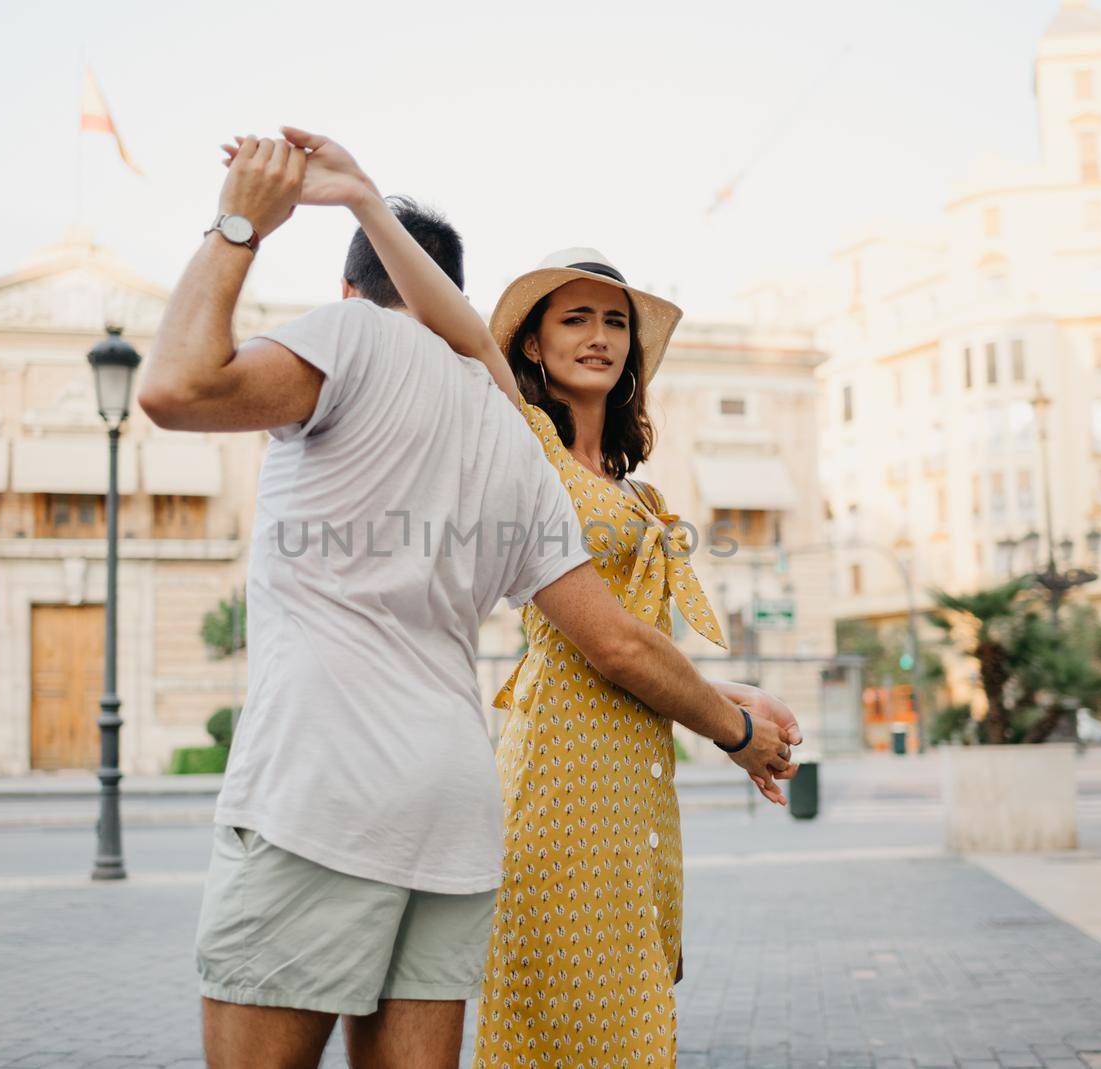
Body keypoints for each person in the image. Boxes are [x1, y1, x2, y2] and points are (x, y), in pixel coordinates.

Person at [140, 130, 799, 1069]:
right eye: (574, 320)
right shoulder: (507, 429)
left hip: (328, 788)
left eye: (615, 324)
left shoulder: (355, 334)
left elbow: (174, 386)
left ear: (347, 295)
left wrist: (243, 220)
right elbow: (608, 631)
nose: (601, 338)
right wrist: (732, 718)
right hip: (454, 800)